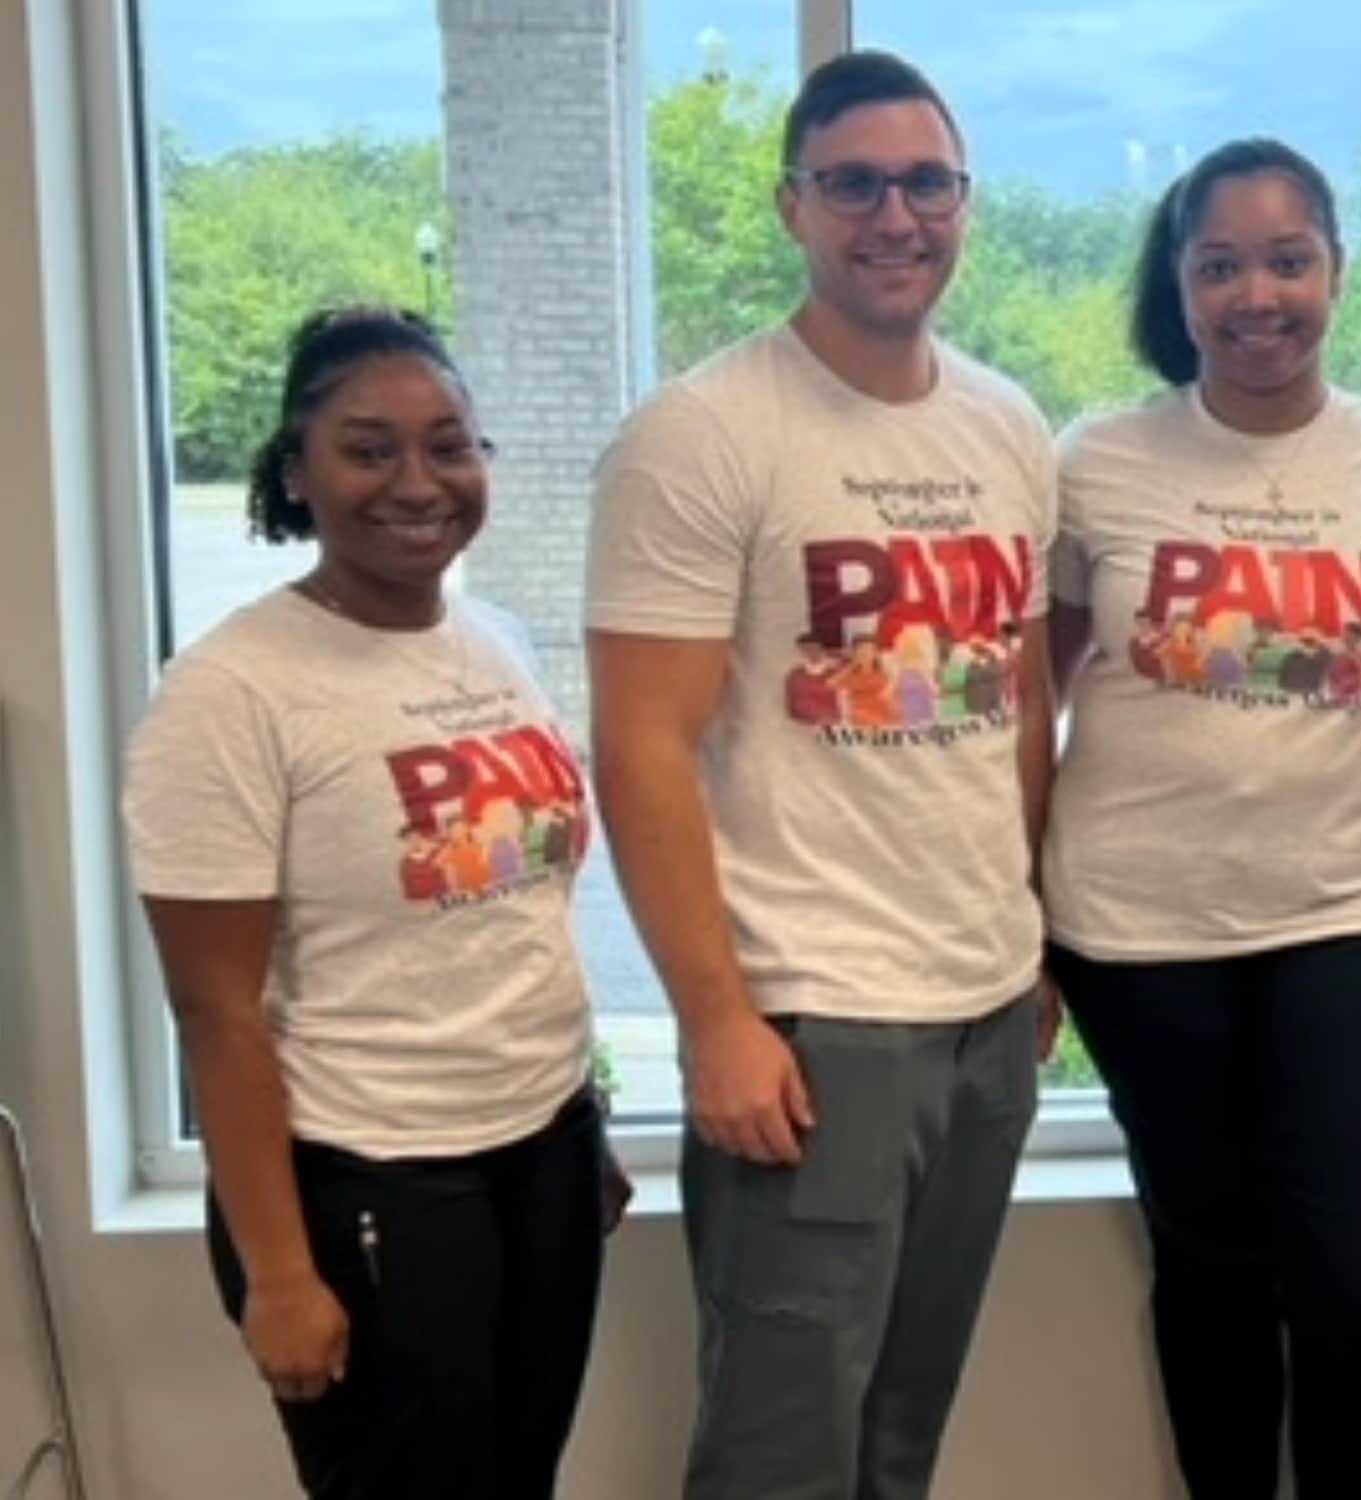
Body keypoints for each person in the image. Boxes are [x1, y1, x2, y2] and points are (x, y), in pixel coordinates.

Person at [584, 50, 1056, 1500]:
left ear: (966, 201)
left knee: (900, 1438)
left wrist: (1032, 942)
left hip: (985, 1010)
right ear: (793, 204)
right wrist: (715, 1021)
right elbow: (640, 745)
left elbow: (1020, 700)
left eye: (925, 183)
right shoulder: (704, 433)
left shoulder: (1006, 424)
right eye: (852, 185)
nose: (893, 217)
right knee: (779, 1455)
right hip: (812, 1026)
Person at [122, 307, 621, 1500]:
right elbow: (217, 1016)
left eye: (449, 445)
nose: (417, 482)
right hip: (371, 1181)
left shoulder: (493, 641)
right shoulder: (232, 691)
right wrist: (279, 1274)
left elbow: (517, 918)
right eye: (367, 448)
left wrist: (581, 1123)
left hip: (539, 1155)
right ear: (296, 470)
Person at [1040, 138, 1361, 1500]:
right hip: (1137, 931)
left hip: (1359, 918)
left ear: (1337, 269)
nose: (1255, 295)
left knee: (1359, 1287)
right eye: (1219, 265)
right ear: (1178, 284)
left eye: (1287, 260)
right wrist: (1013, 915)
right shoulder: (1096, 459)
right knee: (1212, 1269)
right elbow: (1026, 696)